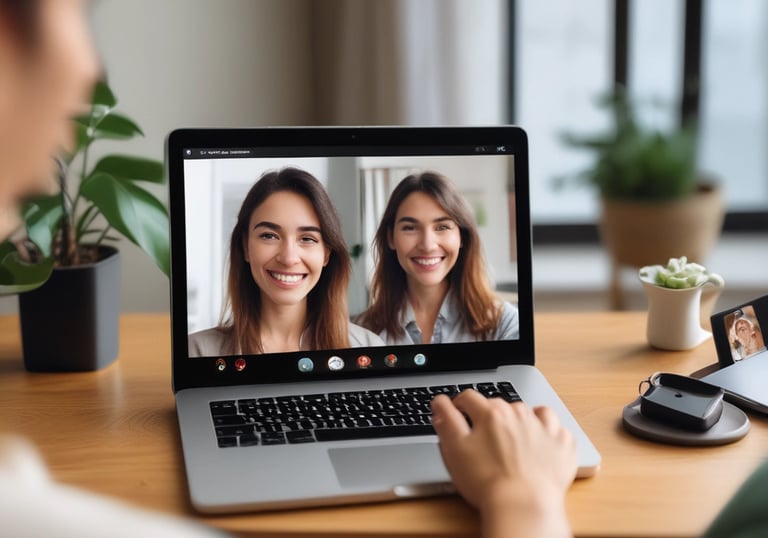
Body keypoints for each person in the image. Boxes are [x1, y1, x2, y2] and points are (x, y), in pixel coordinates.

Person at [188, 167, 382, 356]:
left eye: (307, 239)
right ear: (245, 247)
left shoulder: (368, 348)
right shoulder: (199, 352)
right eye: (269, 236)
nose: (289, 258)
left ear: (326, 254)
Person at [357, 171, 519, 345]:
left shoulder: (505, 324)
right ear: (391, 238)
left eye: (442, 227)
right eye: (410, 228)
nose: (427, 245)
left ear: (462, 237)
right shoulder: (361, 332)